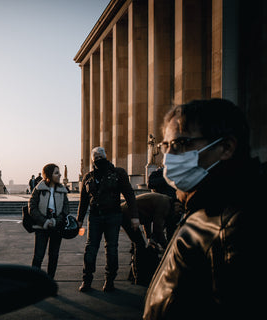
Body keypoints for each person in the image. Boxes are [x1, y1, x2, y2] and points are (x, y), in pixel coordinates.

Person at [143, 99, 263, 320]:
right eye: (165, 146)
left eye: (180, 143)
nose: (169, 156)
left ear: (225, 147)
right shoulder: (204, 204)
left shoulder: (236, 225)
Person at [77, 147, 139, 292]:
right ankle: (87, 280)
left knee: (111, 249)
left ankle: (109, 280)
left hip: (113, 216)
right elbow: (83, 201)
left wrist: (135, 217)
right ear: (92, 160)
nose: (98, 159)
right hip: (94, 217)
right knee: (90, 248)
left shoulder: (118, 173)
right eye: (95, 157)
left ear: (106, 156)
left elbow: (130, 195)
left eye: (100, 156)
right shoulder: (88, 177)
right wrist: (79, 220)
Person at [28, 163, 69, 279]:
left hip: (57, 227)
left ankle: (50, 280)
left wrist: (56, 221)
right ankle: (33, 282)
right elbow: (32, 207)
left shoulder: (62, 190)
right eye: (56, 173)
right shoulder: (38, 189)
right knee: (38, 256)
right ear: (49, 175)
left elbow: (66, 209)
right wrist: (44, 221)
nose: (60, 174)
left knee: (54, 256)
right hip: (42, 227)